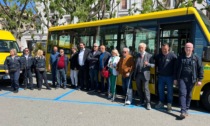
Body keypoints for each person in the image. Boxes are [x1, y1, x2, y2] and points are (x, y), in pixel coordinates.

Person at [174, 42, 203, 119]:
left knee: (189, 95)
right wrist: (175, 79)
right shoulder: (180, 58)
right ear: (184, 49)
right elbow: (175, 69)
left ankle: (186, 109)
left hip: (192, 79)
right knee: (182, 94)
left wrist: (200, 79)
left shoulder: (196, 58)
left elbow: (200, 69)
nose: (188, 49)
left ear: (192, 49)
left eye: (189, 47)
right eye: (187, 47)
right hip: (182, 79)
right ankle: (183, 111)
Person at [154, 43, 177, 112]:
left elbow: (176, 67)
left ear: (168, 48)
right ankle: (161, 102)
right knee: (160, 90)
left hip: (170, 77)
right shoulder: (158, 56)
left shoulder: (173, 56)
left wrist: (175, 77)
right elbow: (154, 62)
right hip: (161, 77)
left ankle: (169, 104)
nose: (164, 50)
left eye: (165, 49)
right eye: (163, 49)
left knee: (170, 91)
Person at [133, 43, 155, 110]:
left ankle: (148, 103)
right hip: (138, 74)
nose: (140, 49)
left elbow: (153, 65)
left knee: (146, 89)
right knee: (139, 89)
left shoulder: (149, 55)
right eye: (139, 47)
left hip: (145, 75)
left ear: (145, 48)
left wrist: (148, 64)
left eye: (142, 47)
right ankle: (141, 101)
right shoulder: (137, 55)